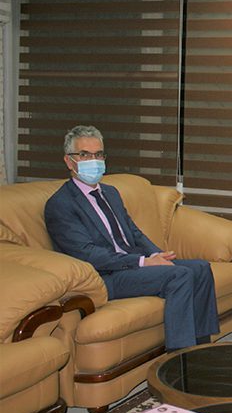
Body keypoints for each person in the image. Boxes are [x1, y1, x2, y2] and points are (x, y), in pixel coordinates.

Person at [44, 125, 219, 351]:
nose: (93, 160)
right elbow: (88, 254)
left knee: (201, 268)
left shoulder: (110, 192)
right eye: (85, 155)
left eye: (98, 154)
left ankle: (200, 349)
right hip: (105, 275)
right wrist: (144, 262)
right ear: (69, 161)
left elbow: (133, 232)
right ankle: (180, 357)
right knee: (180, 275)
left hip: (133, 265)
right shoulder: (61, 204)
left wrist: (157, 254)